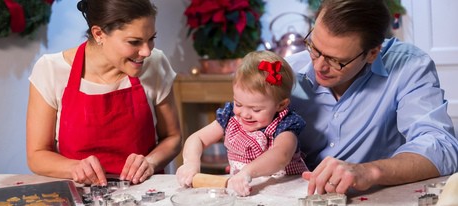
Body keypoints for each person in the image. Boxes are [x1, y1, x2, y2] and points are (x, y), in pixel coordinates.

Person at [286, 0, 458, 195]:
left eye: (337, 61)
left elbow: (442, 147)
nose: (319, 67)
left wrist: (369, 171)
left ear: (372, 53)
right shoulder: (287, 73)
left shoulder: (409, 66)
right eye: (314, 48)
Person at [26, 0, 181, 186]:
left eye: (151, 38)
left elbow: (173, 137)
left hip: (144, 192)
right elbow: (37, 155)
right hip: (78, 193)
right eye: (134, 42)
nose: (147, 51)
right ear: (99, 34)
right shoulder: (51, 70)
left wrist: (151, 161)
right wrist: (74, 167)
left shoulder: (156, 64)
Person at [176, 50, 309, 196]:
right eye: (238, 104)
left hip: (287, 193)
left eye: (256, 109)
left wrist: (247, 172)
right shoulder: (230, 117)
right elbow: (197, 138)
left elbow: (281, 156)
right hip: (245, 192)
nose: (244, 114)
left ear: (281, 105)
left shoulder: (284, 124)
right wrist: (191, 163)